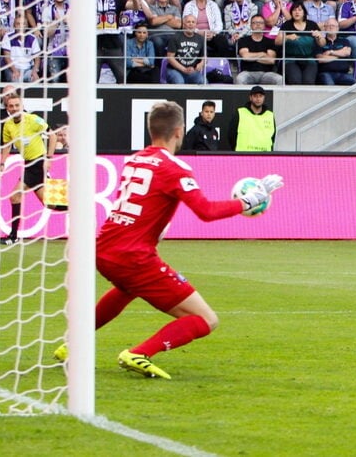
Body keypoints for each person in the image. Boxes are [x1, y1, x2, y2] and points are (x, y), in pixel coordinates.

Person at [56, 101, 282, 379]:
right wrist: (246, 201)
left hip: (104, 248)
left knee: (128, 288)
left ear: (151, 129)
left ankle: (72, 343)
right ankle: (139, 353)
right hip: (133, 255)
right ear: (179, 131)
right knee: (206, 319)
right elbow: (206, 212)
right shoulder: (175, 168)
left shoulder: (135, 159)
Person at [0, 93, 55, 245]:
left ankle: (13, 236)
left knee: (15, 196)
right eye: (11, 106)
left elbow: (52, 135)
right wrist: (2, 162)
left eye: (17, 105)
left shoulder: (32, 119)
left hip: (38, 162)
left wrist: (49, 158)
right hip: (29, 164)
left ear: (22, 106)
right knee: (50, 203)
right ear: (8, 109)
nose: (15, 108)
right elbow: (7, 145)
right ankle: (79, 207)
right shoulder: (8, 125)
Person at [236, 15, 282, 85]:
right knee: (240, 78)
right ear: (251, 25)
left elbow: (271, 60)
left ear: (264, 26)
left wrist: (252, 57)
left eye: (260, 23)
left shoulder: (270, 42)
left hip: (266, 74)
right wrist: (263, 54)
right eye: (255, 23)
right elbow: (245, 57)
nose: (258, 25)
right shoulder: (243, 40)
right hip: (248, 73)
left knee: (280, 79)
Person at [228, 85, 276, 151]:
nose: (258, 99)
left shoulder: (270, 115)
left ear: (264, 98)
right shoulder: (240, 113)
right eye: (255, 96)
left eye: (260, 96)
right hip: (243, 157)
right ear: (250, 97)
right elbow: (231, 135)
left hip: (264, 157)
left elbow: (272, 137)